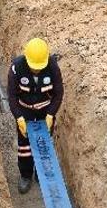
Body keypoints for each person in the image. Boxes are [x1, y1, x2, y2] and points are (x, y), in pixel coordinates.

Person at [7, 38, 64, 194]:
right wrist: (18, 117)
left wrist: (51, 114)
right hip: (24, 112)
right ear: (26, 58)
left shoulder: (52, 66)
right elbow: (11, 95)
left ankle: (41, 174)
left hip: (45, 113)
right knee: (24, 147)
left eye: (40, 68)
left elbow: (59, 93)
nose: (37, 71)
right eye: (34, 67)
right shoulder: (16, 67)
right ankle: (26, 175)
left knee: (44, 145)